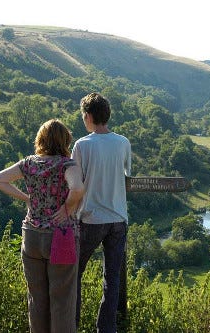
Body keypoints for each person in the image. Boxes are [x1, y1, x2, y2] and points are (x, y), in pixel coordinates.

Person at [0, 119, 85, 333]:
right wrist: (68, 208)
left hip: (31, 235)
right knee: (62, 301)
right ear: (65, 140)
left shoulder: (28, 164)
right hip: (60, 236)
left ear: (40, 139)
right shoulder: (66, 164)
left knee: (36, 299)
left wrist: (27, 198)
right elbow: (77, 188)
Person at [73, 92, 131, 333]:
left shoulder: (82, 145)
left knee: (73, 274)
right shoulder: (123, 142)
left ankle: (70, 325)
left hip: (91, 218)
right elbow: (126, 175)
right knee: (112, 279)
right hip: (118, 218)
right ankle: (106, 329)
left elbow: (75, 185)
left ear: (88, 116)